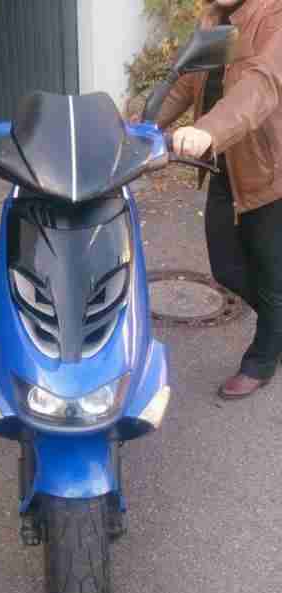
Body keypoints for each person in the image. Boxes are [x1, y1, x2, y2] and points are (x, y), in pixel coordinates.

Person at [136, 0, 282, 399]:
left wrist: (209, 130)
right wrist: (135, 129)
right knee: (226, 268)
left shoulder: (274, 17)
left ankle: (262, 358)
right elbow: (184, 83)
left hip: (269, 172)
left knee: (271, 275)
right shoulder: (214, 20)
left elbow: (262, 83)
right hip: (223, 166)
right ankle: (278, 325)